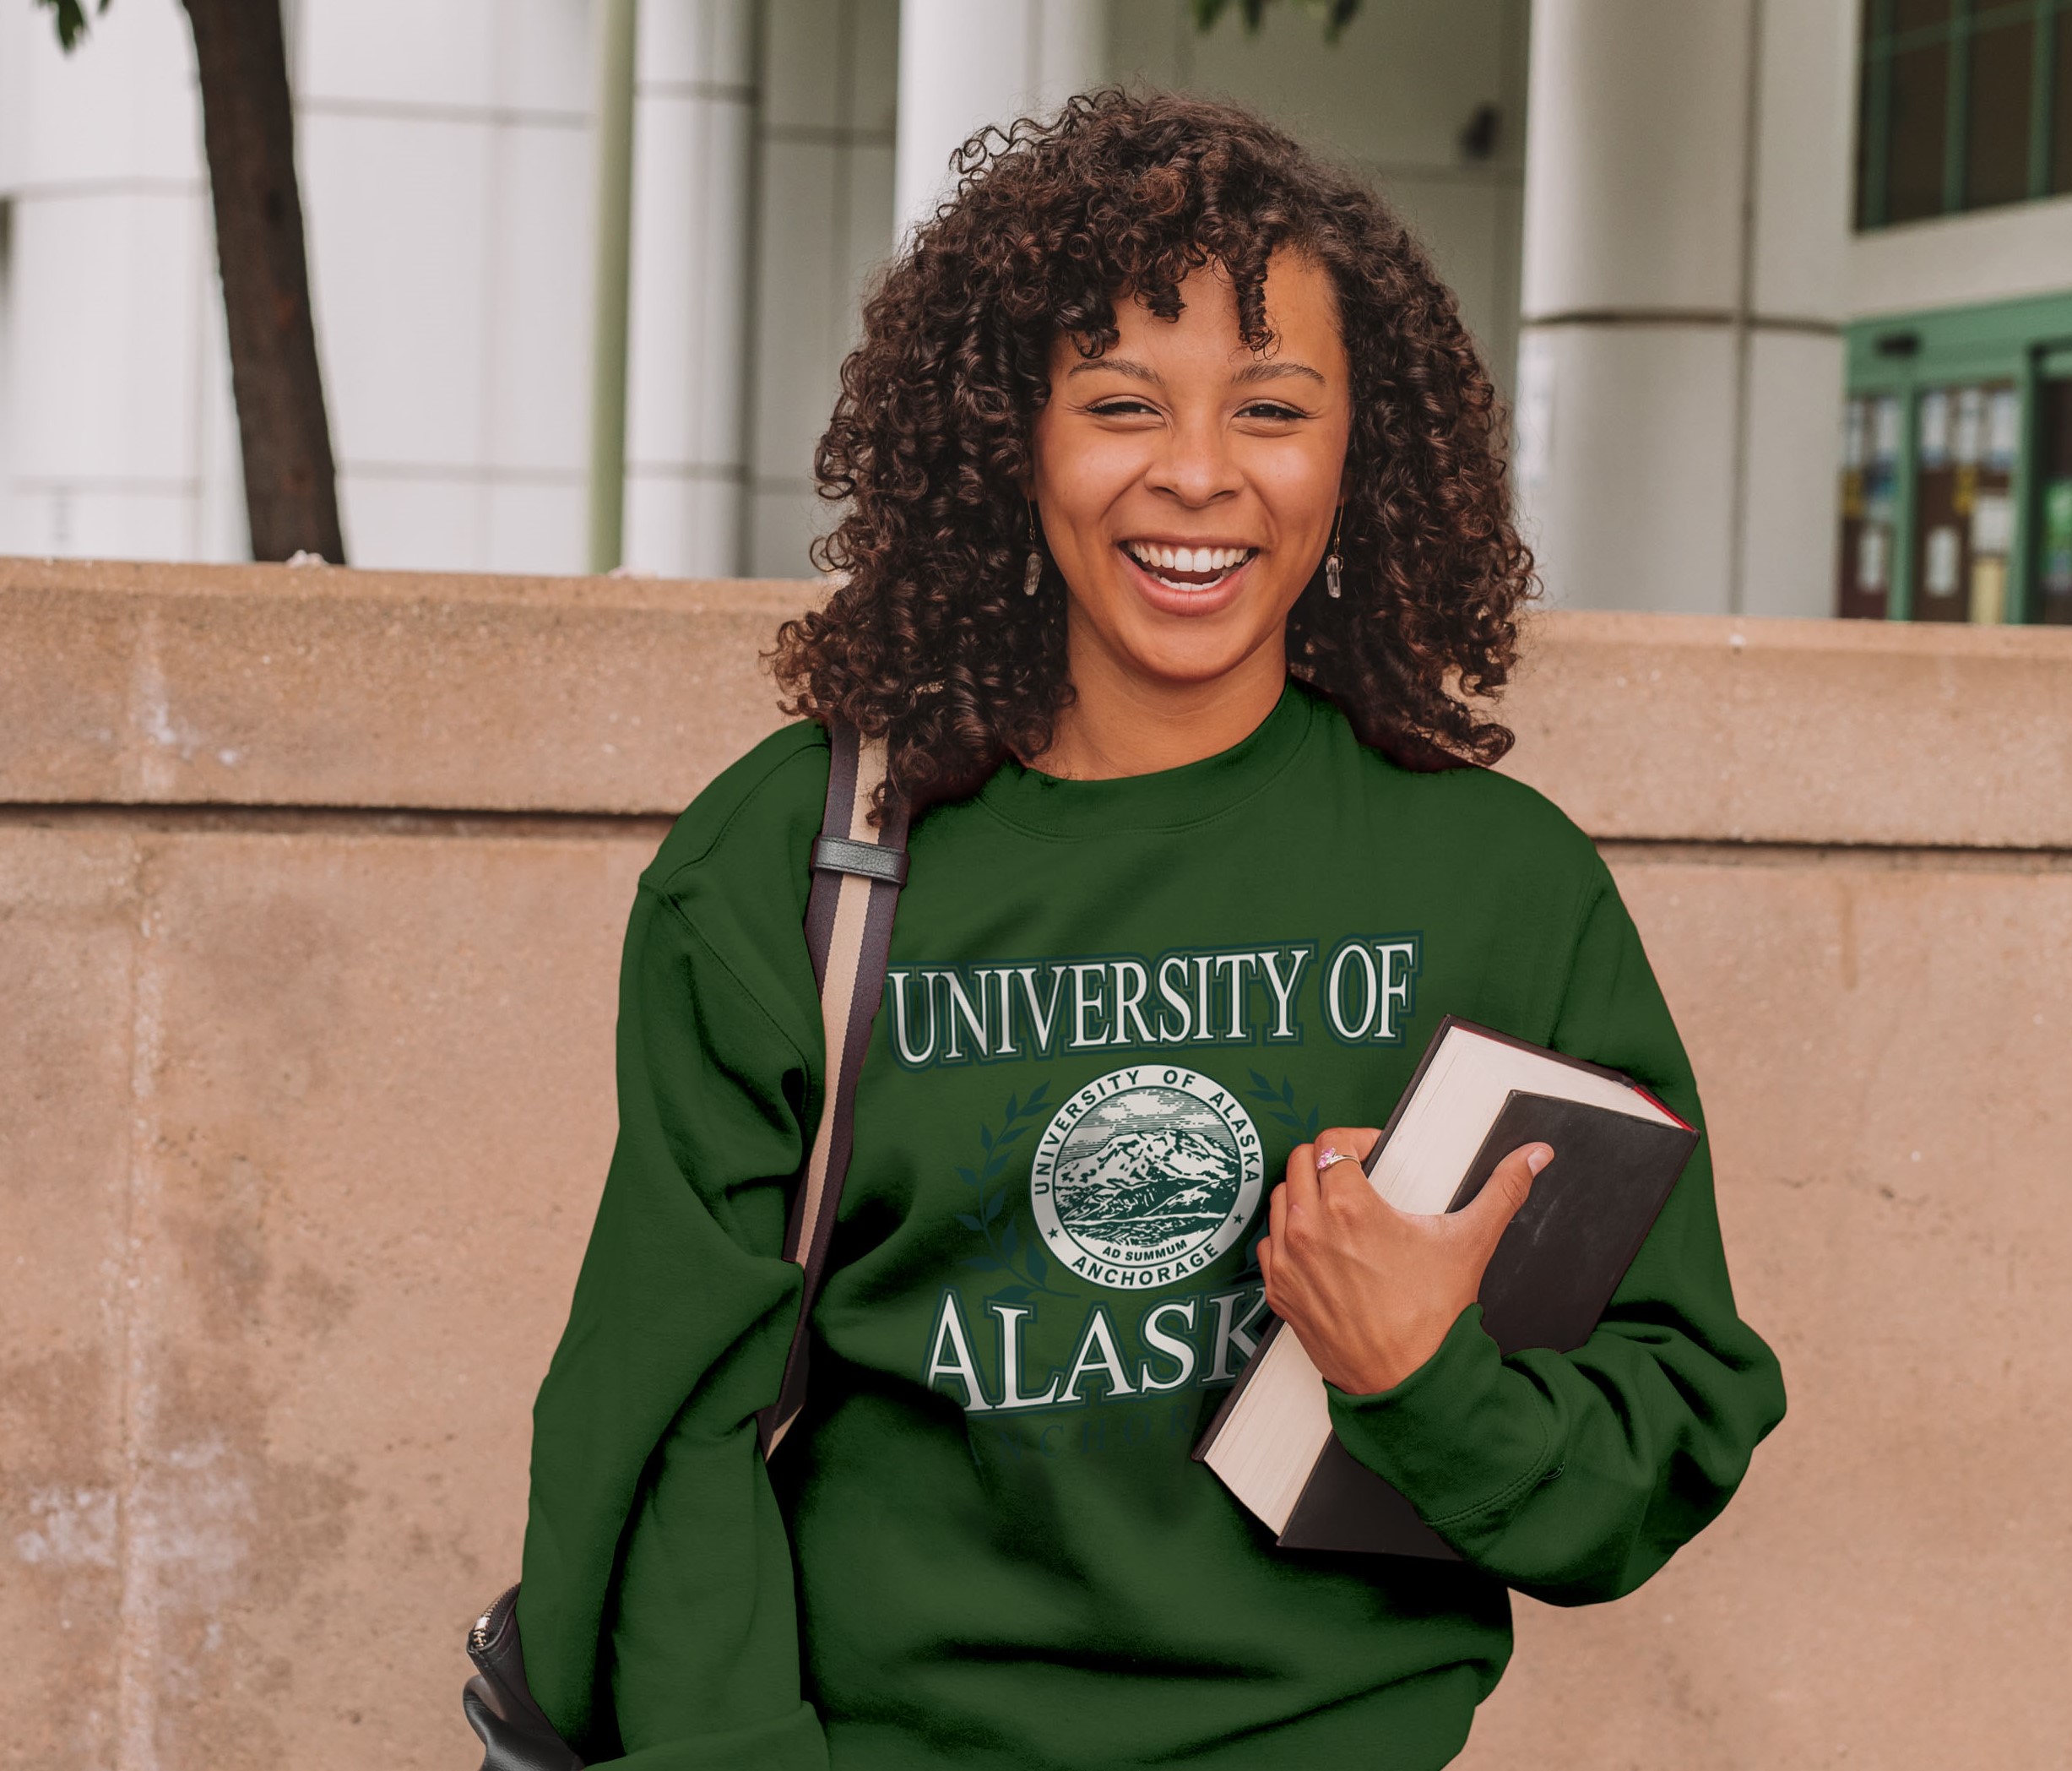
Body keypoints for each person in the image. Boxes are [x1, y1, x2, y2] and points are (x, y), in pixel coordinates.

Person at [518, 90, 1785, 1769]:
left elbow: (1658, 1444)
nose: (1197, 475)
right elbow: (666, 1421)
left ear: (1357, 448)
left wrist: (1425, 1377)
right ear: (1009, 439)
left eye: (1271, 408)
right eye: (1120, 404)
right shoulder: (799, 861)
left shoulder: (1495, 881)